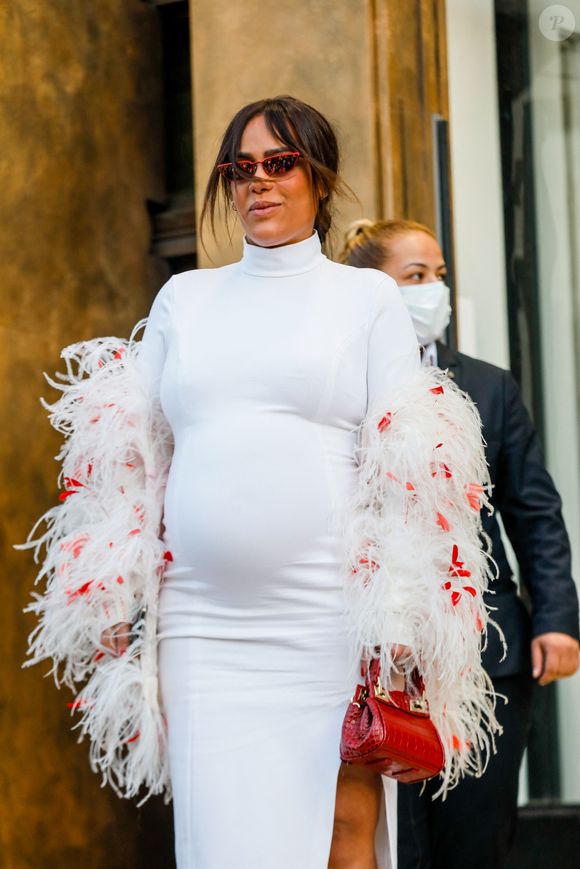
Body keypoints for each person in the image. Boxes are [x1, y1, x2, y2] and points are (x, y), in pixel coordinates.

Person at [23, 100, 500, 869]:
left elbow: (411, 466)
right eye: (240, 169)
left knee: (342, 839)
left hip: (329, 617)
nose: (259, 183)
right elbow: (129, 455)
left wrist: (405, 628)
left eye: (279, 164)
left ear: (318, 174)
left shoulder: (365, 299)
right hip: (204, 629)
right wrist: (112, 588)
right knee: (224, 844)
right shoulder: (186, 299)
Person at [340, 218, 580, 869]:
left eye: (439, 274)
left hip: (485, 657)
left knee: (475, 843)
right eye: (416, 276)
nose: (435, 291)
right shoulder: (336, 386)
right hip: (371, 663)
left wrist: (557, 618)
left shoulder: (489, 386)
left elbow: (535, 511)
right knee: (392, 847)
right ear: (369, 290)